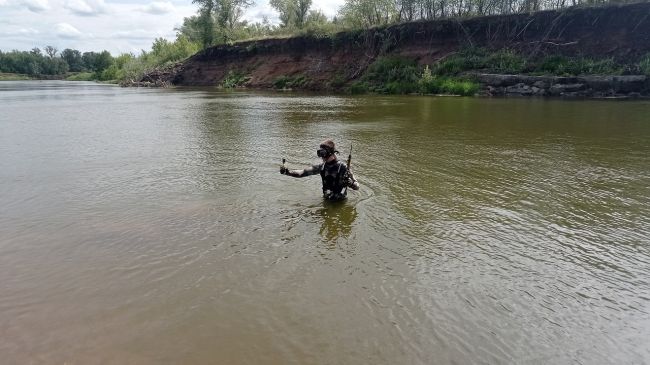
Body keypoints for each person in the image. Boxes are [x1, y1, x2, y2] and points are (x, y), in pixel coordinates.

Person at [280, 139, 359, 201]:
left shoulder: (343, 167)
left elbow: (357, 186)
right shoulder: (322, 167)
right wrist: (287, 172)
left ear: (330, 153)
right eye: (319, 153)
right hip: (326, 200)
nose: (321, 156)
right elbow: (302, 173)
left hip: (340, 203)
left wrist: (351, 183)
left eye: (323, 153)